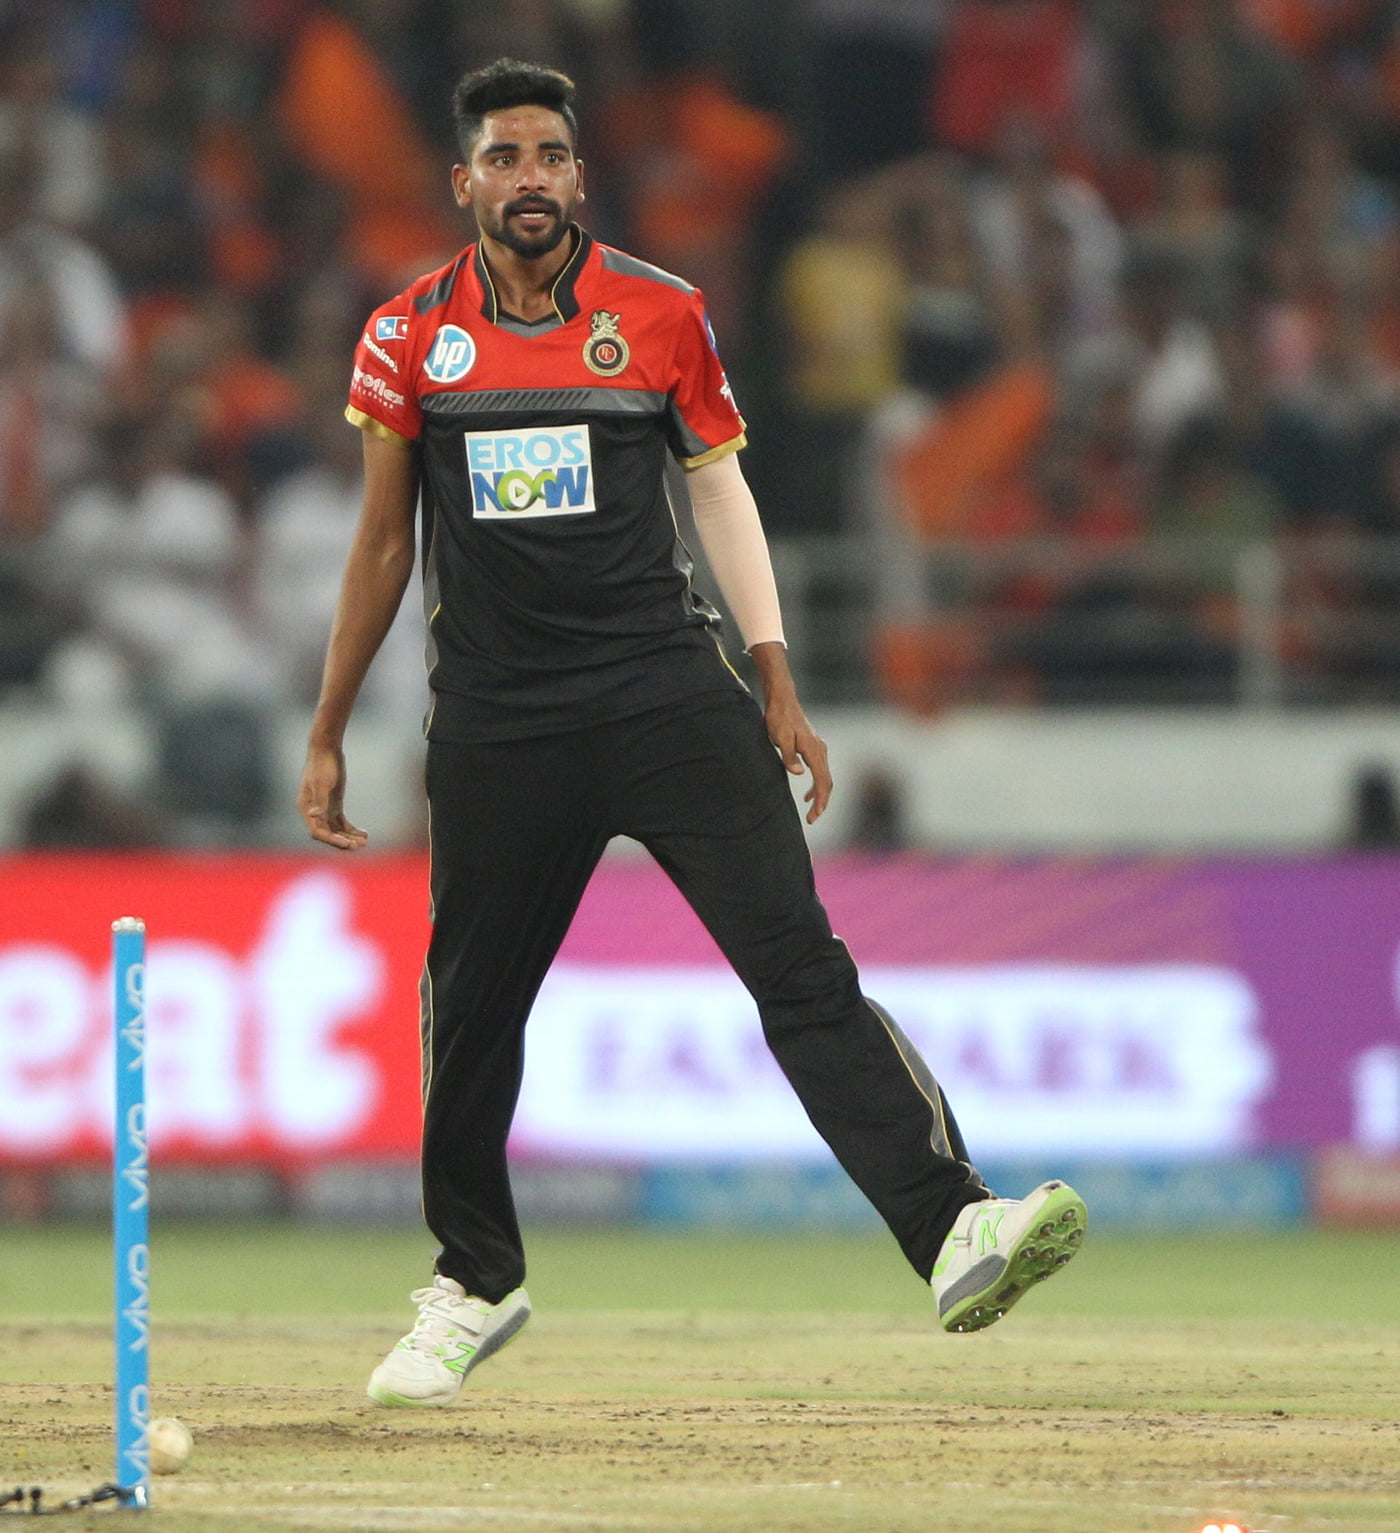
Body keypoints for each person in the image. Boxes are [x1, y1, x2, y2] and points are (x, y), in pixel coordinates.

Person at [297, 58, 1086, 1409]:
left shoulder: (660, 313)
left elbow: (719, 491)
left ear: (579, 177)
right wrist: (327, 729)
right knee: (470, 1010)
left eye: (552, 155)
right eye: (505, 157)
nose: (531, 178)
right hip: (500, 718)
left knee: (799, 965)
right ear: (464, 181)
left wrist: (774, 669)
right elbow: (382, 542)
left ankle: (956, 1226)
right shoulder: (408, 335)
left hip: (666, 690)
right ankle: (475, 1280)